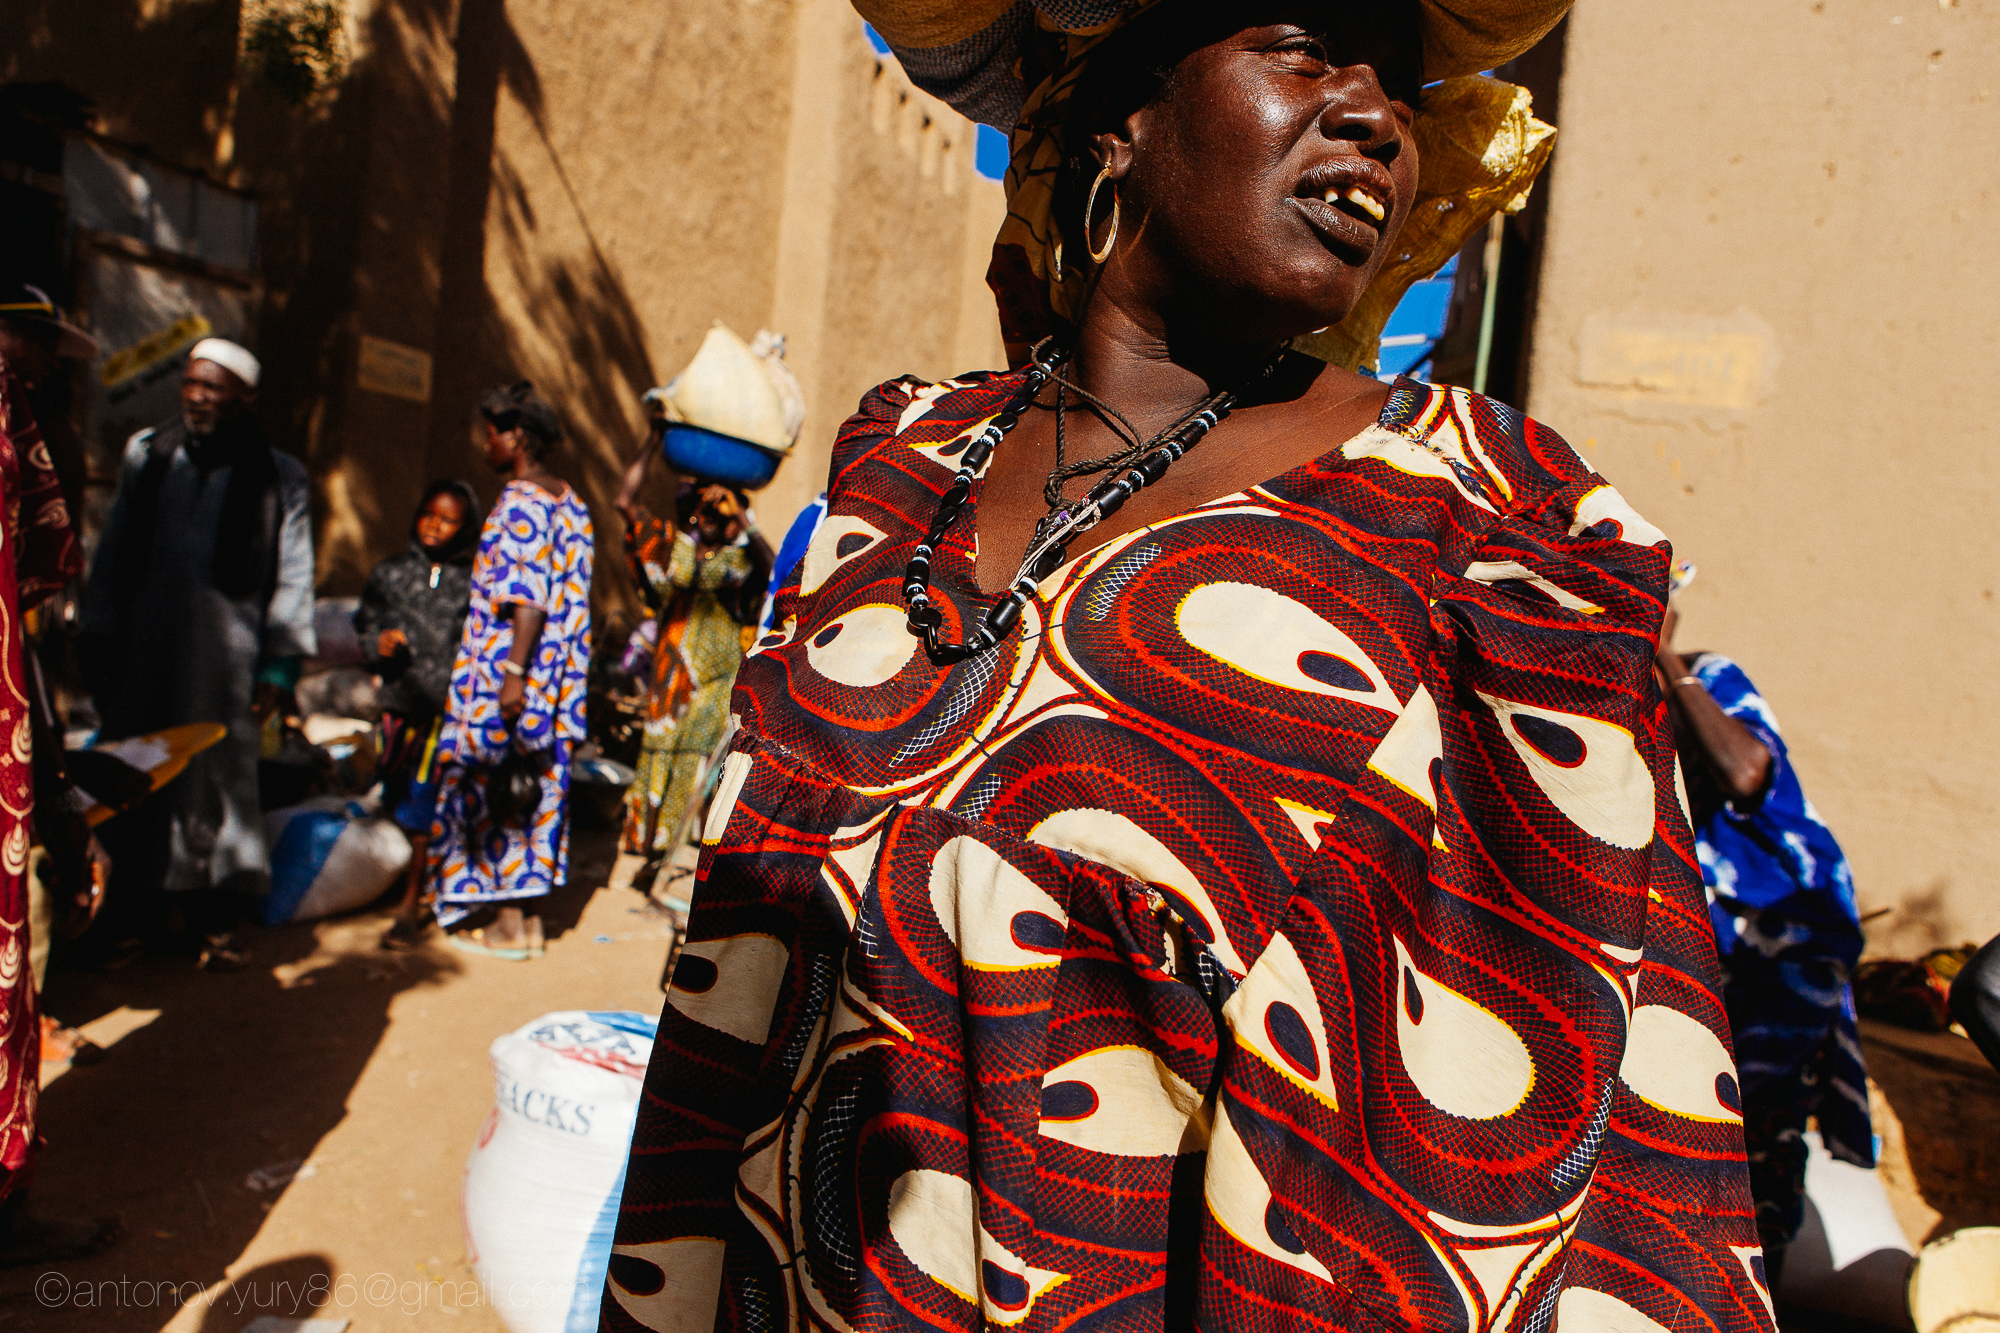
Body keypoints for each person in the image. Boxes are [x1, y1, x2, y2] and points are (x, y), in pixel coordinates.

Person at [602, 5, 1774, 1333]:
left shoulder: (1478, 535)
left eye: (1397, 88)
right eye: (1305, 47)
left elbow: (1553, 1188)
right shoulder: (900, 463)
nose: (1375, 116)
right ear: (1124, 126)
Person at [1655, 564, 1874, 1288]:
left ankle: (1758, 1292)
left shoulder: (1713, 679)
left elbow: (1747, 773)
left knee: (1755, 1151)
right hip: (1712, 949)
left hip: (1791, 939)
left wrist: (1665, 654)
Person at [78, 338, 315, 969]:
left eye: (213, 387)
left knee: (215, 784)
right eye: (190, 384)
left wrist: (280, 662)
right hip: (144, 651)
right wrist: (97, 632)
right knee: (135, 771)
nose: (198, 397)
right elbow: (114, 550)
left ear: (245, 396)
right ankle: (130, 912)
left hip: (227, 661)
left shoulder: (279, 476)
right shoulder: (148, 455)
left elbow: (293, 575)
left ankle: (207, 915)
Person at [428, 383, 592, 958]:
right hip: (557, 684)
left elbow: (528, 597)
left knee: (490, 783)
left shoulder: (521, 502)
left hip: (510, 674)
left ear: (517, 436)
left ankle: (503, 922)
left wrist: (514, 672)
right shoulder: (570, 501)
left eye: (492, 434)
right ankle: (524, 922)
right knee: (531, 790)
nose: (485, 445)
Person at [610, 404, 772, 892]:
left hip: (716, 684)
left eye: (715, 511)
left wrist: (743, 514)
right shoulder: (673, 548)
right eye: (699, 509)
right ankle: (653, 858)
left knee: (701, 769)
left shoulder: (741, 558)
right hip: (670, 684)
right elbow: (623, 501)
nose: (705, 516)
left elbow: (773, 566)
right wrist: (653, 441)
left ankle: (692, 870)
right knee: (660, 760)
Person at [354, 479, 482, 950]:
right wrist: (377, 644)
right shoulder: (390, 574)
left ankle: (412, 901)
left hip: (443, 716)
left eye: (449, 520)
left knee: (425, 809)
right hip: (397, 710)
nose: (436, 526)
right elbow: (365, 624)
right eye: (430, 514)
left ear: (464, 528)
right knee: (395, 794)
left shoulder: (471, 584)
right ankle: (392, 881)